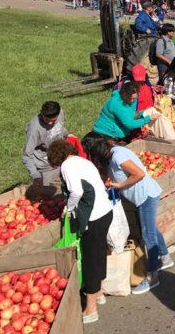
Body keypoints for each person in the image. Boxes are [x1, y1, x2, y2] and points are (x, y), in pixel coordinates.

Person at [83, 133, 174, 295]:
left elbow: (139, 174)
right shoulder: (110, 156)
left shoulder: (118, 156)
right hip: (141, 197)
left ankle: (153, 277)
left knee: (148, 234)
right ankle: (165, 258)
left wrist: (120, 185)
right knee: (150, 229)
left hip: (146, 196)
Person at [48, 139, 113, 324]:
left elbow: (76, 191)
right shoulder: (83, 161)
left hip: (93, 217)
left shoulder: (67, 166)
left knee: (91, 259)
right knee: (99, 253)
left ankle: (91, 309)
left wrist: (69, 209)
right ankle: (99, 293)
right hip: (105, 212)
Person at [23, 101, 69, 191]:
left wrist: (66, 134)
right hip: (47, 166)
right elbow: (26, 155)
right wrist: (36, 176)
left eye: (54, 121)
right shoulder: (34, 130)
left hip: (62, 159)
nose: (50, 124)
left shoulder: (60, 113)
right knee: (50, 195)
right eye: (47, 120)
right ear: (41, 113)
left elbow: (60, 128)